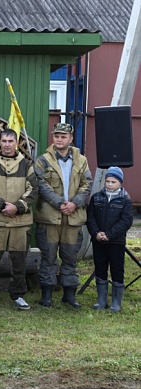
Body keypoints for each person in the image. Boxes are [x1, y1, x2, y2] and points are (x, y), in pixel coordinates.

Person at [34, 122, 93, 308]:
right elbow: (40, 184)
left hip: (73, 217)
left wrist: (75, 203)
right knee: (48, 256)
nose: (59, 139)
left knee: (70, 257)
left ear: (71, 139)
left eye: (63, 136)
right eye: (56, 136)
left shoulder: (82, 161)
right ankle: (47, 295)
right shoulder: (43, 160)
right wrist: (59, 203)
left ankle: (69, 295)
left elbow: (87, 183)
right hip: (49, 217)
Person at [0, 128, 38, 310]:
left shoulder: (26, 165)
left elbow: (33, 190)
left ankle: (18, 295)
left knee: (19, 261)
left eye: (10, 141)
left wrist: (17, 207)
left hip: (20, 223)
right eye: (4, 141)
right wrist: (3, 206)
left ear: (17, 143)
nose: (7, 144)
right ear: (0, 142)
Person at [86, 166, 133, 312]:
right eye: (108, 181)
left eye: (113, 182)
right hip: (98, 241)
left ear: (120, 182)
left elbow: (126, 221)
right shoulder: (96, 197)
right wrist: (96, 233)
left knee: (117, 269)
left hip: (116, 242)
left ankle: (116, 302)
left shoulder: (125, 200)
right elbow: (90, 217)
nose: (110, 184)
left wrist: (110, 234)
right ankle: (101, 300)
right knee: (100, 268)